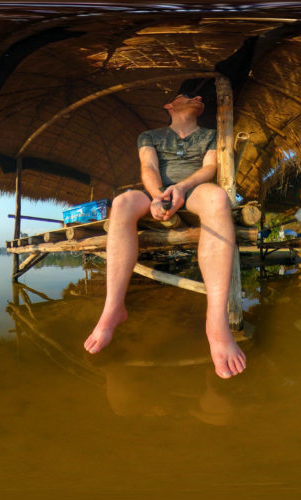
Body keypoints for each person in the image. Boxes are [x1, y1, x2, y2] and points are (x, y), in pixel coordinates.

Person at [83, 90, 247, 379]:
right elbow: (148, 167)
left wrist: (181, 189)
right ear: (170, 105)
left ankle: (216, 320)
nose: (198, 97)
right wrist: (158, 195)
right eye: (189, 95)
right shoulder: (150, 135)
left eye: (201, 95)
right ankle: (113, 309)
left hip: (193, 192)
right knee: (121, 203)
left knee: (218, 199)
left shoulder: (210, 135)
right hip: (156, 194)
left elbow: (209, 168)